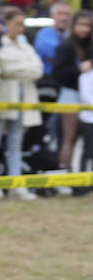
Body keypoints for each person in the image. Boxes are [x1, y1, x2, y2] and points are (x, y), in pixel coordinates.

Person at [0, 7, 42, 199]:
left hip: (24, 100)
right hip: (3, 98)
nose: (20, 28)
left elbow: (38, 69)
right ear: (6, 24)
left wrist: (18, 69)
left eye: (22, 24)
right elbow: (3, 67)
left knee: (16, 143)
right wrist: (23, 69)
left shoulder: (26, 46)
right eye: (17, 23)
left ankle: (16, 184)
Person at [51, 10, 93, 172]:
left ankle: (83, 176)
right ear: (74, 25)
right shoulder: (66, 45)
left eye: (88, 26)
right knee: (70, 138)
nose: (84, 29)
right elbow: (58, 74)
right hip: (71, 94)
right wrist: (78, 69)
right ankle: (64, 174)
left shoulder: (89, 45)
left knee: (87, 140)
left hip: (89, 95)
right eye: (81, 25)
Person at [34, 1, 72, 155]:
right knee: (44, 127)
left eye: (67, 14)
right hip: (47, 87)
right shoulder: (44, 34)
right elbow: (58, 55)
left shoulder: (71, 35)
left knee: (65, 132)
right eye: (60, 13)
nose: (63, 17)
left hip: (68, 88)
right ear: (52, 16)